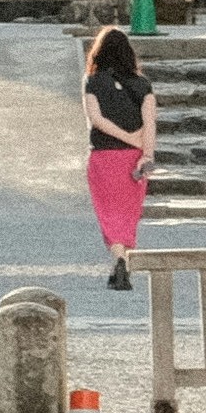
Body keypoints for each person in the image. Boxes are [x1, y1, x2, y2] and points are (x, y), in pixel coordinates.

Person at [79, 16, 156, 290]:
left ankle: (119, 260)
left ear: (98, 52)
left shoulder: (92, 81)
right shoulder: (143, 84)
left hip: (103, 156)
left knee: (107, 211)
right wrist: (145, 152)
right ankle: (123, 260)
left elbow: (96, 119)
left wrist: (123, 136)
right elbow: (150, 122)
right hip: (134, 159)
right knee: (128, 212)